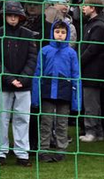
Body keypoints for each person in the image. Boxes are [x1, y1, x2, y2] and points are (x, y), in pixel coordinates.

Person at [0, 0, 39, 165]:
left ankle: (22, 154)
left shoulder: (28, 35)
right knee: (1, 118)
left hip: (24, 85)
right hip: (2, 84)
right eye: (9, 15)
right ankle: (1, 152)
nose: (12, 18)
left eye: (15, 15)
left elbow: (32, 59)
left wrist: (22, 79)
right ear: (4, 16)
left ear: (21, 17)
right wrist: (9, 78)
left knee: (22, 118)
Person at [33, 19, 81, 162]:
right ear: (52, 33)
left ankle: (61, 149)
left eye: (63, 32)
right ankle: (43, 149)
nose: (60, 35)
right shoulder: (45, 50)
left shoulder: (71, 53)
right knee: (46, 122)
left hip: (64, 91)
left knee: (62, 122)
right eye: (57, 32)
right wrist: (35, 98)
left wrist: (76, 100)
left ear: (67, 34)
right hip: (48, 90)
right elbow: (38, 73)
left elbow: (76, 75)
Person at [78, 0, 104, 143]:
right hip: (92, 69)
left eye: (85, 5)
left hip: (93, 70)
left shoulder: (98, 25)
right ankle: (98, 132)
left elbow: (93, 49)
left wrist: (79, 62)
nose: (83, 8)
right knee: (93, 102)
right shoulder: (93, 23)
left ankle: (91, 132)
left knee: (91, 102)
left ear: (93, 8)